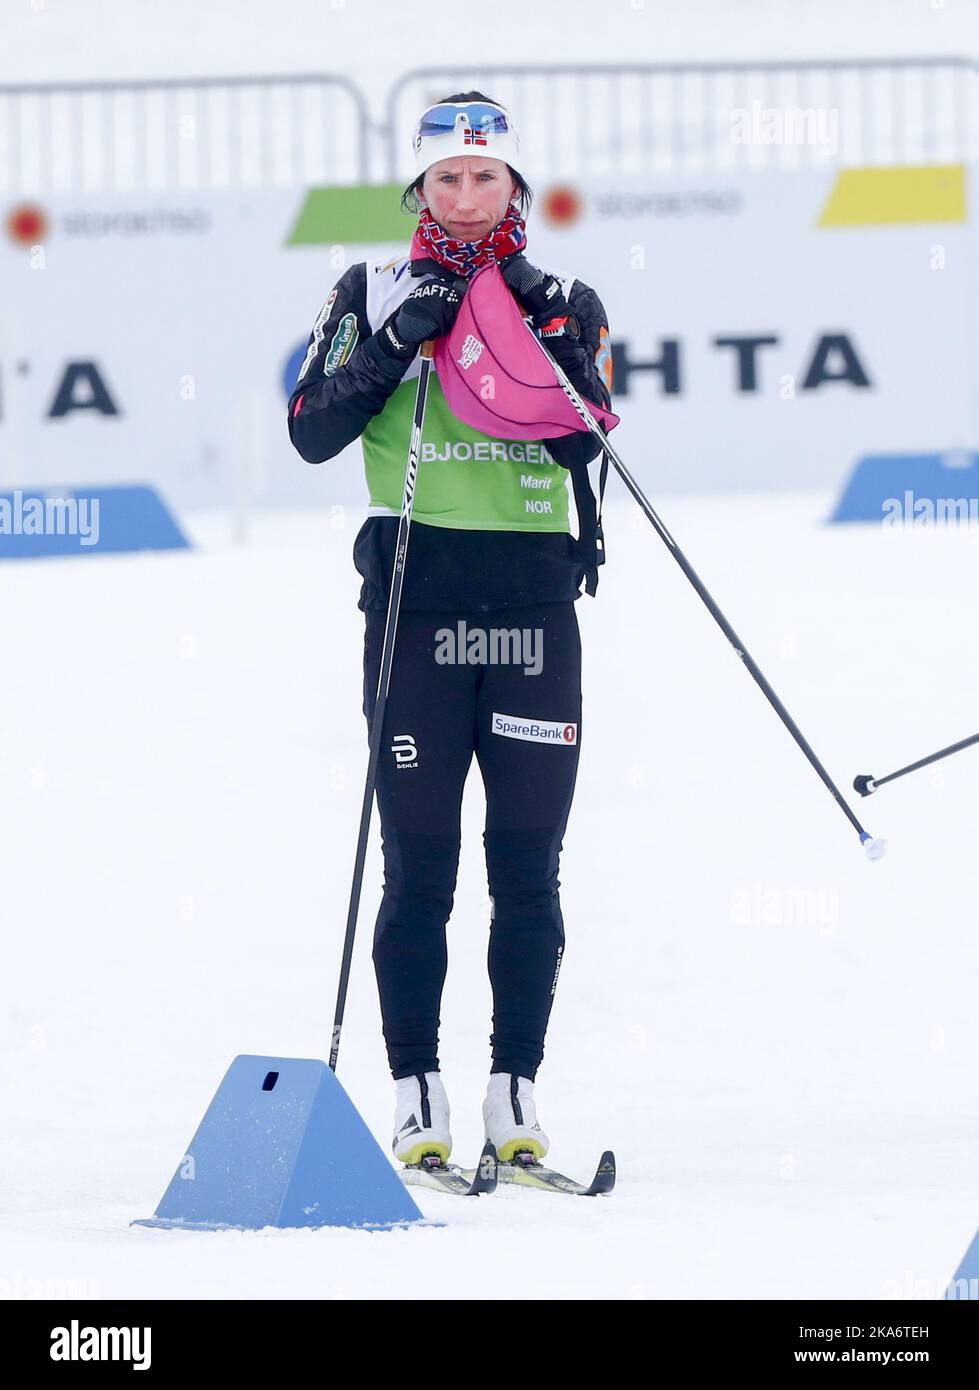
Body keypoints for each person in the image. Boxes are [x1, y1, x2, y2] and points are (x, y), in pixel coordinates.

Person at [287, 93, 614, 1168]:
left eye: (487, 179)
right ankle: (415, 1091)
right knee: (416, 869)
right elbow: (312, 430)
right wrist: (391, 344)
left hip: (531, 618)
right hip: (414, 621)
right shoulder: (369, 288)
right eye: (446, 180)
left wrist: (543, 339)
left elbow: (584, 451)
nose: (467, 199)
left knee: (529, 870)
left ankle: (513, 1092)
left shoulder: (562, 297)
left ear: (515, 187)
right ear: (418, 189)